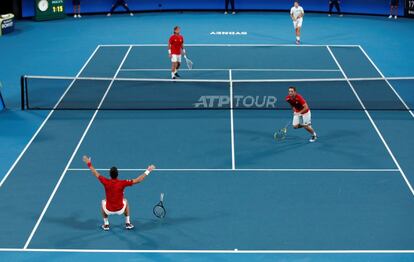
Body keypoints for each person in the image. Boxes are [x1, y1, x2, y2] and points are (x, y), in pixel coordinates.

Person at [82, 155, 156, 231]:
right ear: (118, 174)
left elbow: (95, 173)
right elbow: (138, 180)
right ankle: (128, 223)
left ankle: (106, 224)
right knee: (126, 201)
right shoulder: (122, 183)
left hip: (108, 210)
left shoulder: (105, 181)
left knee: (103, 201)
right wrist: (148, 170)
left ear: (110, 175)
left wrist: (89, 163)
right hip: (120, 209)